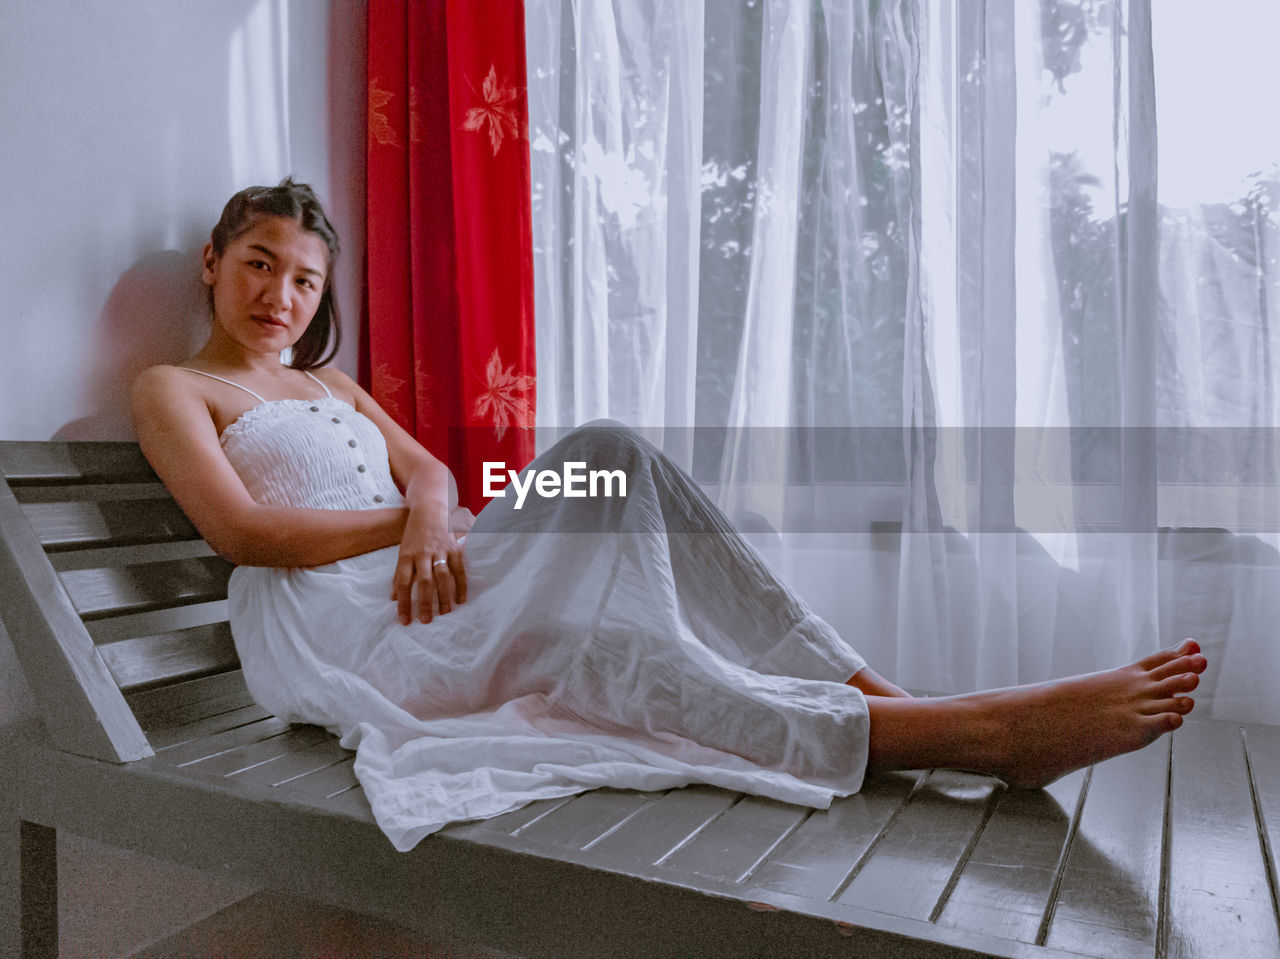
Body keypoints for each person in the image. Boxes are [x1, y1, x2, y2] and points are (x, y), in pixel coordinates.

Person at [132, 179, 1207, 851]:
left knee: (609, 456)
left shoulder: (336, 389)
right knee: (617, 617)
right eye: (261, 264)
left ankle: (884, 694)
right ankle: (967, 731)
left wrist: (425, 511)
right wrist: (411, 525)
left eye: (308, 280)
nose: (282, 295)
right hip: (343, 621)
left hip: (427, 570)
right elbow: (242, 534)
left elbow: (436, 479)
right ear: (213, 265)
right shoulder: (178, 388)